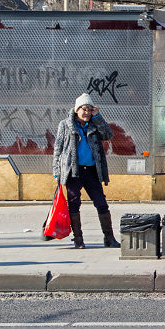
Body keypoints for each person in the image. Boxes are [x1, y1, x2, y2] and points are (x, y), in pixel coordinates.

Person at [52, 93, 119, 249]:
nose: (87, 112)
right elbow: (58, 148)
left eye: (90, 109)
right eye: (84, 109)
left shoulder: (95, 124)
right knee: (74, 205)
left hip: (92, 171)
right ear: (77, 110)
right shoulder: (65, 125)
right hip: (73, 171)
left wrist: (98, 117)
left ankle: (109, 238)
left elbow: (108, 134)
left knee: (101, 204)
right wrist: (57, 170)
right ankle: (78, 240)